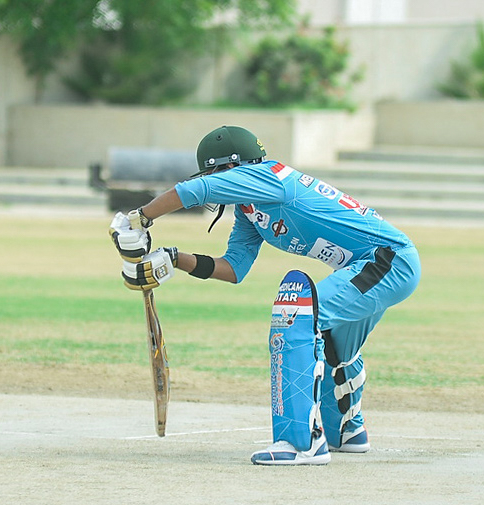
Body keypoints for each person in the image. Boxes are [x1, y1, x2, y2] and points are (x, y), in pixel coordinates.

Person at [110, 125, 421, 465]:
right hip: (371, 264)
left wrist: (139, 219)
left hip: (388, 259)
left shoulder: (269, 177)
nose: (213, 183)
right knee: (335, 343)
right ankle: (346, 432)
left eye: (214, 173)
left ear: (231, 167)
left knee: (295, 316)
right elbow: (233, 268)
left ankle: (302, 443)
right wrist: (173, 258)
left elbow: (195, 190)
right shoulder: (249, 209)